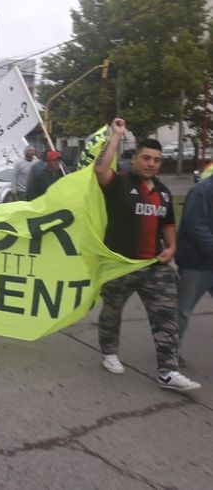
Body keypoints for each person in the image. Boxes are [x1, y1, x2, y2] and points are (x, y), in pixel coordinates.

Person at [93, 118, 200, 391]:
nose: (152, 163)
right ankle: (109, 352)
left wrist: (172, 248)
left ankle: (168, 371)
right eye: (146, 158)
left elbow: (167, 224)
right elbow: (100, 168)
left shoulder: (163, 192)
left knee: (166, 314)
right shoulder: (118, 182)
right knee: (111, 313)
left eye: (157, 159)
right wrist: (116, 135)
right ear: (135, 158)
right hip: (119, 265)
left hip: (154, 265)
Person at [174, 173, 213, 359]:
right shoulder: (202, 190)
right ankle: (170, 351)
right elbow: (195, 226)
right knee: (182, 309)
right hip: (195, 263)